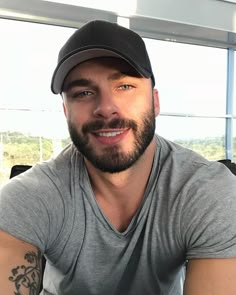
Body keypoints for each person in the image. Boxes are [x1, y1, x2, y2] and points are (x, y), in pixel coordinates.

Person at [1, 19, 236, 295]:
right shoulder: (30, 197)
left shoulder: (207, 192)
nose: (106, 108)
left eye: (124, 86)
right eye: (84, 92)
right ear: (66, 112)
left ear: (155, 101)